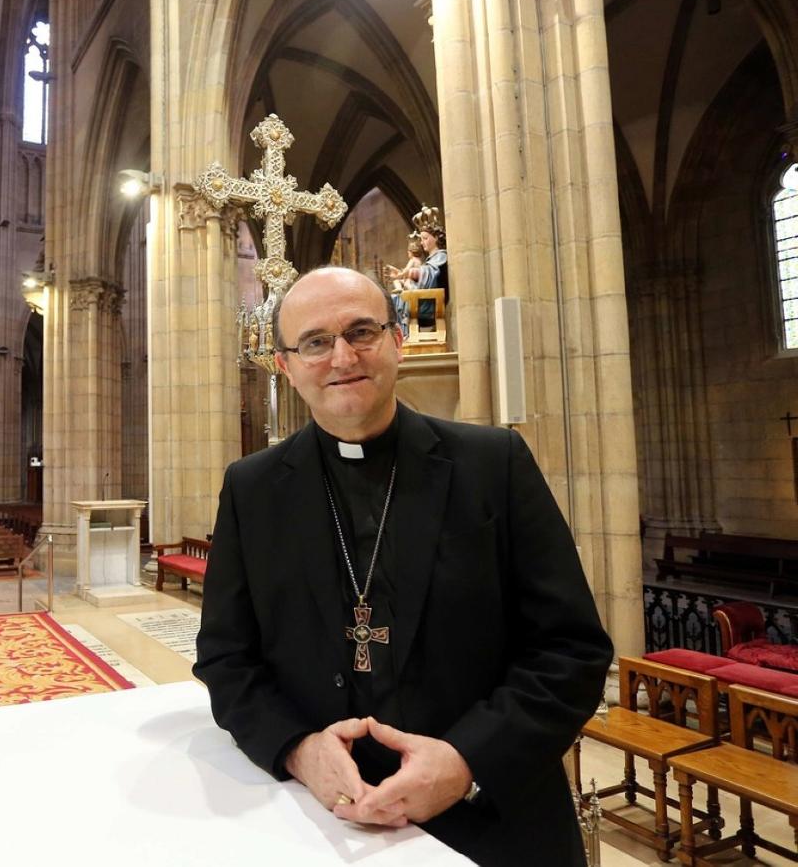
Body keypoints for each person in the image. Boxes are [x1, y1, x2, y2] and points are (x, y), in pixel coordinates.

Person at [193, 266, 612, 866]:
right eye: (315, 342)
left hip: (487, 813)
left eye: (362, 331)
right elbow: (226, 657)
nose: (342, 356)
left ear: (398, 340)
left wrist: (467, 760)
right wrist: (297, 749)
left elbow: (571, 650)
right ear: (284, 366)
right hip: (317, 819)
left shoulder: (493, 465)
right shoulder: (252, 488)